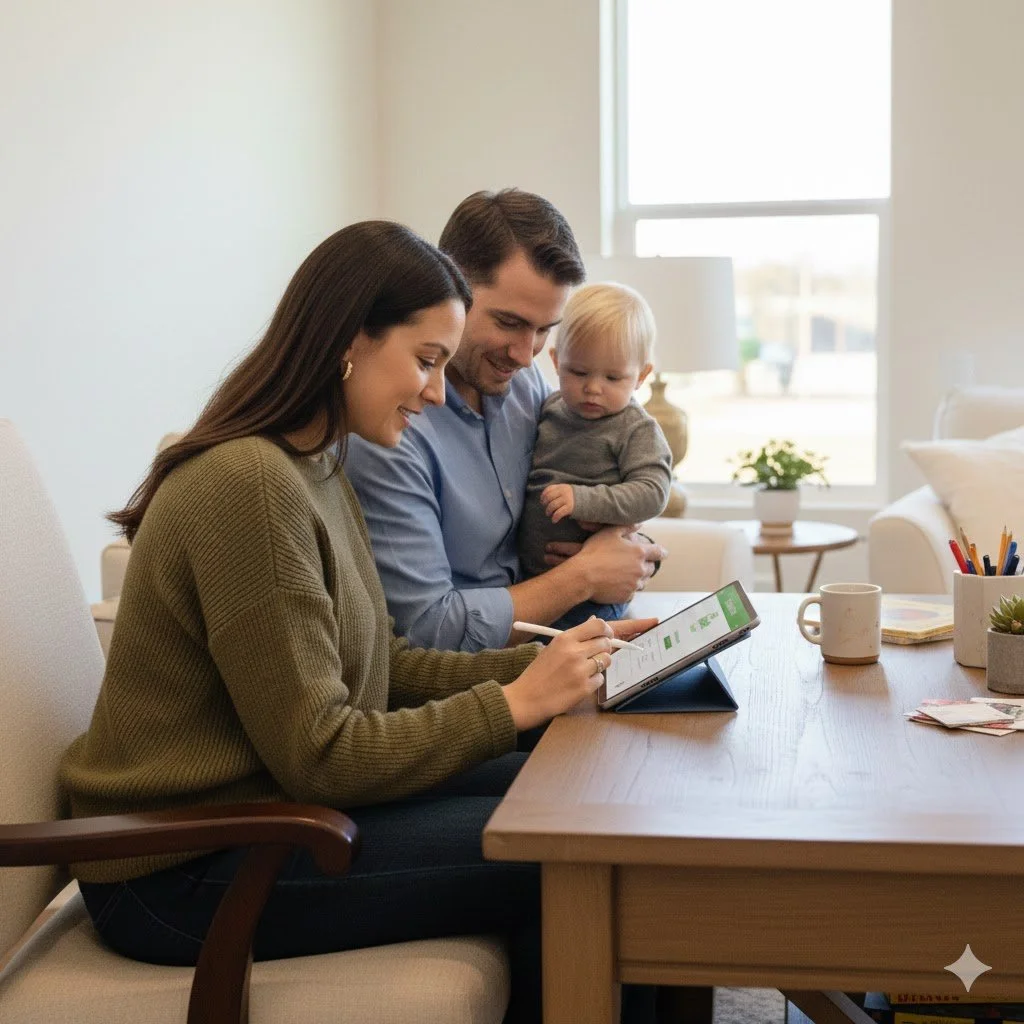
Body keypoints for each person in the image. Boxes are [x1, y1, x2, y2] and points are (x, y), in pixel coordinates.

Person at [58, 221, 655, 1024]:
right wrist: (513, 706)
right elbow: (322, 753)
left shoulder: (314, 464)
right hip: (184, 868)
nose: (438, 392)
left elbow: (386, 668)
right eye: (425, 361)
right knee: (577, 847)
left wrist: (555, 665)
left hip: (260, 813)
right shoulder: (250, 486)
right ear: (347, 341)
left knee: (573, 793)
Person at [345, 189, 667, 653]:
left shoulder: (522, 383)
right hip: (477, 688)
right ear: (449, 285)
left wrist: (626, 546)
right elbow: (427, 631)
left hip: (568, 648)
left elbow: (589, 471)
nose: (525, 353)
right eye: (509, 323)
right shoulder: (390, 427)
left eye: (543, 330)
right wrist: (582, 577)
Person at [518, 282, 673, 630]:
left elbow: (653, 491)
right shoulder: (549, 408)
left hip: (594, 601)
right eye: (578, 372)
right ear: (556, 361)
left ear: (641, 377)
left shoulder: (634, 428)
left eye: (613, 377)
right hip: (530, 585)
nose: (593, 387)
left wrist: (584, 500)